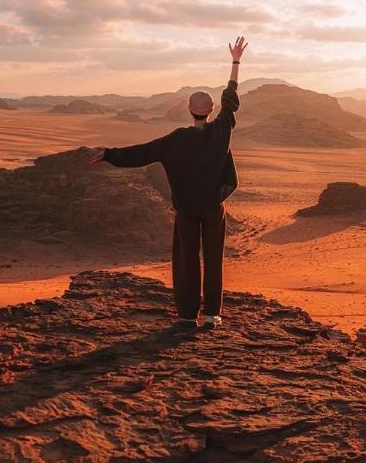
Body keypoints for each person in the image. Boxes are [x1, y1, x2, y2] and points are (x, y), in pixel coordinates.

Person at [89, 36, 248, 331]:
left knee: (187, 258)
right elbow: (231, 101)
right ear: (211, 110)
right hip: (213, 207)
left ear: (189, 110)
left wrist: (109, 154)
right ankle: (212, 315)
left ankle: (187, 315)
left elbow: (142, 153)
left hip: (187, 210)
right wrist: (235, 62)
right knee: (213, 258)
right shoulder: (221, 131)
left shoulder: (175, 139)